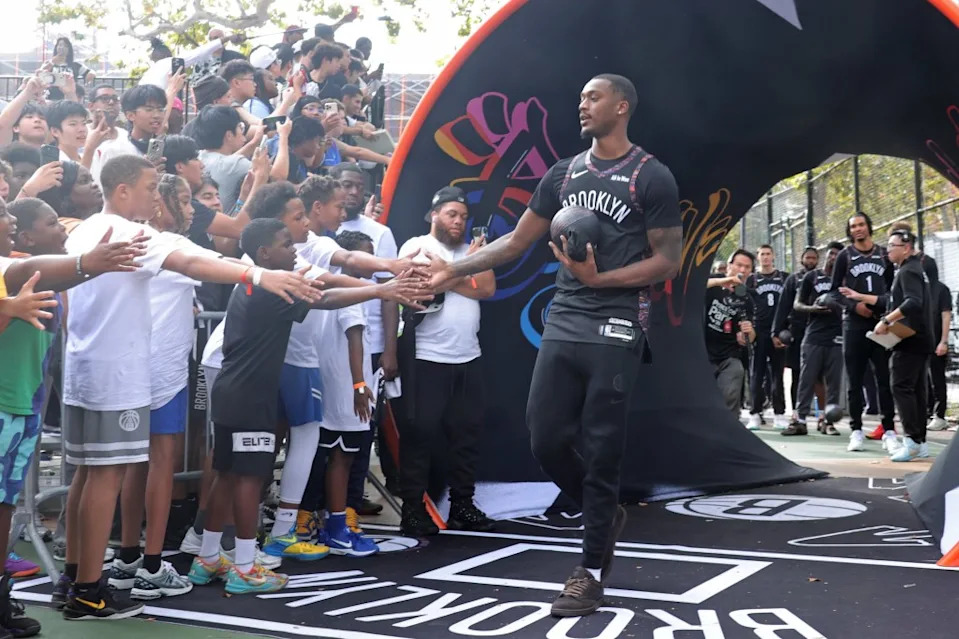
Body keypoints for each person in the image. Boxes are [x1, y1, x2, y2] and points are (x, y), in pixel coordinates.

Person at [427, 74, 682, 617]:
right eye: (581, 98)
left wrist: (600, 281)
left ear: (622, 106)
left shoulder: (650, 176)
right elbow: (517, 241)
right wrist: (449, 271)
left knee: (603, 442)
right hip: (566, 318)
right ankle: (604, 510)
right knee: (545, 437)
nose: (582, 105)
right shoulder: (564, 173)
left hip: (618, 321)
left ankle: (589, 571)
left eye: (594, 98)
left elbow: (668, 260)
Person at [57, 155, 317, 620]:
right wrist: (256, 273)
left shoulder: (85, 230)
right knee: (104, 478)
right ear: (121, 191)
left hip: (85, 370)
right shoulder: (131, 234)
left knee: (85, 473)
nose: (155, 195)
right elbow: (191, 261)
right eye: (150, 186)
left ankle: (74, 577)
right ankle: (89, 590)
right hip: (117, 377)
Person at [187, 217, 428, 594]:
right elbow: (326, 297)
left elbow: (324, 289)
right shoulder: (272, 289)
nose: (294, 248)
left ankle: (208, 558)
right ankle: (246, 568)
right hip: (251, 397)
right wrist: (382, 292)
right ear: (265, 252)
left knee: (227, 474)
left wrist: (381, 289)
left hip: (232, 392)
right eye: (286, 242)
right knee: (250, 478)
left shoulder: (255, 282)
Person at [1, 195, 151, 631]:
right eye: (51, 223)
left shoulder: (21, 265)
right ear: (29, 237)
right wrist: (90, 262)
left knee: (4, 505)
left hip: (24, 407)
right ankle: (82, 587)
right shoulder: (16, 269)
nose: (62, 228)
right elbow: (31, 271)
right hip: (6, 407)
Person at [396, 187, 497, 537]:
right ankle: (412, 510)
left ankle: (462, 506)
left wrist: (452, 272)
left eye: (464, 217)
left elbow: (486, 289)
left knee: (467, 434)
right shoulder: (417, 246)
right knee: (419, 435)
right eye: (452, 214)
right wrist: (461, 270)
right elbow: (427, 287)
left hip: (469, 356)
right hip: (427, 357)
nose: (459, 222)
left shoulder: (472, 251)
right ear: (434, 214)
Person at [330, 163, 398, 515]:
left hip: (368, 343)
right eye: (345, 185)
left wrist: (389, 348)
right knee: (327, 431)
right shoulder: (325, 228)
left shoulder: (380, 232)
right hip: (328, 344)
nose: (352, 192)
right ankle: (323, 508)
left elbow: (389, 291)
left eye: (359, 186)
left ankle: (351, 504)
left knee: (361, 428)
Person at [310, 230, 381, 557]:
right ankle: (338, 529)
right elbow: (355, 340)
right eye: (366, 254)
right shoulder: (352, 293)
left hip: (331, 385)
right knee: (342, 458)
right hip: (346, 390)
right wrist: (359, 385)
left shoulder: (333, 287)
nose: (371, 260)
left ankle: (329, 522)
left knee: (333, 457)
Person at [845, 229, 934, 461]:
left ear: (906, 248)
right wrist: (862, 298)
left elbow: (913, 302)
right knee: (916, 390)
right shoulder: (915, 270)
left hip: (909, 339)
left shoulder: (908, 271)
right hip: (920, 338)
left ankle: (912, 440)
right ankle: (920, 442)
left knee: (901, 387)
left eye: (892, 245)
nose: (888, 250)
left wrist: (886, 321)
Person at [830, 212, 898, 453]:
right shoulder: (845, 257)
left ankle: (889, 430)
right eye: (853, 226)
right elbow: (834, 292)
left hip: (882, 323)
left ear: (869, 227)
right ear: (850, 231)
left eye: (861, 225)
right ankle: (856, 430)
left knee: (884, 378)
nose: (858, 229)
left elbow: (893, 292)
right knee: (855, 381)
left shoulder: (883, 254)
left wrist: (878, 306)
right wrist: (854, 307)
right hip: (853, 325)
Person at [782, 242, 845, 437]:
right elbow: (797, 304)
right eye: (831, 253)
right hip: (814, 335)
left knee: (833, 382)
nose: (834, 257)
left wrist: (839, 307)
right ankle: (799, 420)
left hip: (836, 335)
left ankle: (828, 422)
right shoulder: (812, 277)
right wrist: (814, 309)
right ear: (825, 256)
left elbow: (852, 304)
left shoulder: (846, 280)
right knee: (806, 378)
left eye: (838, 255)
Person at [705, 251, 757, 416]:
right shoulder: (713, 282)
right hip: (701, 352)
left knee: (736, 373)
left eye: (747, 267)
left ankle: (728, 431)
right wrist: (721, 281)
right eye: (739, 265)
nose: (742, 269)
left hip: (728, 356)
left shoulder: (747, 298)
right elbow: (691, 287)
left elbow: (749, 338)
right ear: (729, 265)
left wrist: (747, 333)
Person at [773, 246, 819, 424]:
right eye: (807, 257)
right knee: (797, 374)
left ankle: (822, 415)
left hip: (818, 330)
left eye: (813, 258)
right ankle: (796, 412)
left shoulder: (822, 278)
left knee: (819, 376)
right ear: (801, 260)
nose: (810, 261)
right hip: (797, 331)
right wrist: (776, 331)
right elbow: (783, 306)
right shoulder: (793, 279)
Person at [745, 245, 789, 429]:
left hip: (778, 332)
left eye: (768, 254)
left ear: (774, 256)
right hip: (759, 331)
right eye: (762, 254)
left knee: (778, 374)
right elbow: (745, 304)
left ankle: (779, 412)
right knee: (757, 373)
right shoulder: (752, 280)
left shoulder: (785, 278)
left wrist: (786, 330)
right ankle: (755, 413)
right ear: (758, 257)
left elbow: (789, 304)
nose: (765, 257)